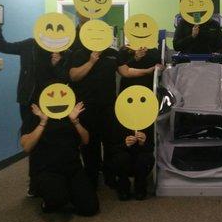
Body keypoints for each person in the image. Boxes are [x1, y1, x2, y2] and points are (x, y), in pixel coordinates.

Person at [69, 47, 160, 188]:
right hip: (86, 106)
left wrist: (148, 71)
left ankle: (110, 177)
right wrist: (91, 61)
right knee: (89, 144)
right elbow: (74, 76)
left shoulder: (113, 53)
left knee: (111, 144)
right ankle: (92, 179)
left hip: (109, 105)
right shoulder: (80, 53)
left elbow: (126, 71)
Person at [0, 11, 68, 120]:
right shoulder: (29, 44)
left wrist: (57, 64)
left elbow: (65, 79)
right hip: (28, 98)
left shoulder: (62, 50)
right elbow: (3, 47)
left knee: (47, 132)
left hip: (52, 98)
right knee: (27, 132)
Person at [20, 100, 99, 216]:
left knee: (90, 208)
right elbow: (27, 146)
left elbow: (85, 140)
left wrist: (75, 121)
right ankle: (49, 201)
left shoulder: (71, 112)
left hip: (72, 168)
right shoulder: (36, 114)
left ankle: (68, 191)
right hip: (47, 170)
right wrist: (42, 122)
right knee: (57, 199)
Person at [106, 120, 155, 201]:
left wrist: (143, 143)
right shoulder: (117, 121)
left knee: (145, 158)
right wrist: (125, 144)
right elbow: (112, 149)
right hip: (124, 159)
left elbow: (151, 148)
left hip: (140, 160)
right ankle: (124, 185)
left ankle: (140, 185)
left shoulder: (147, 121)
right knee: (120, 157)